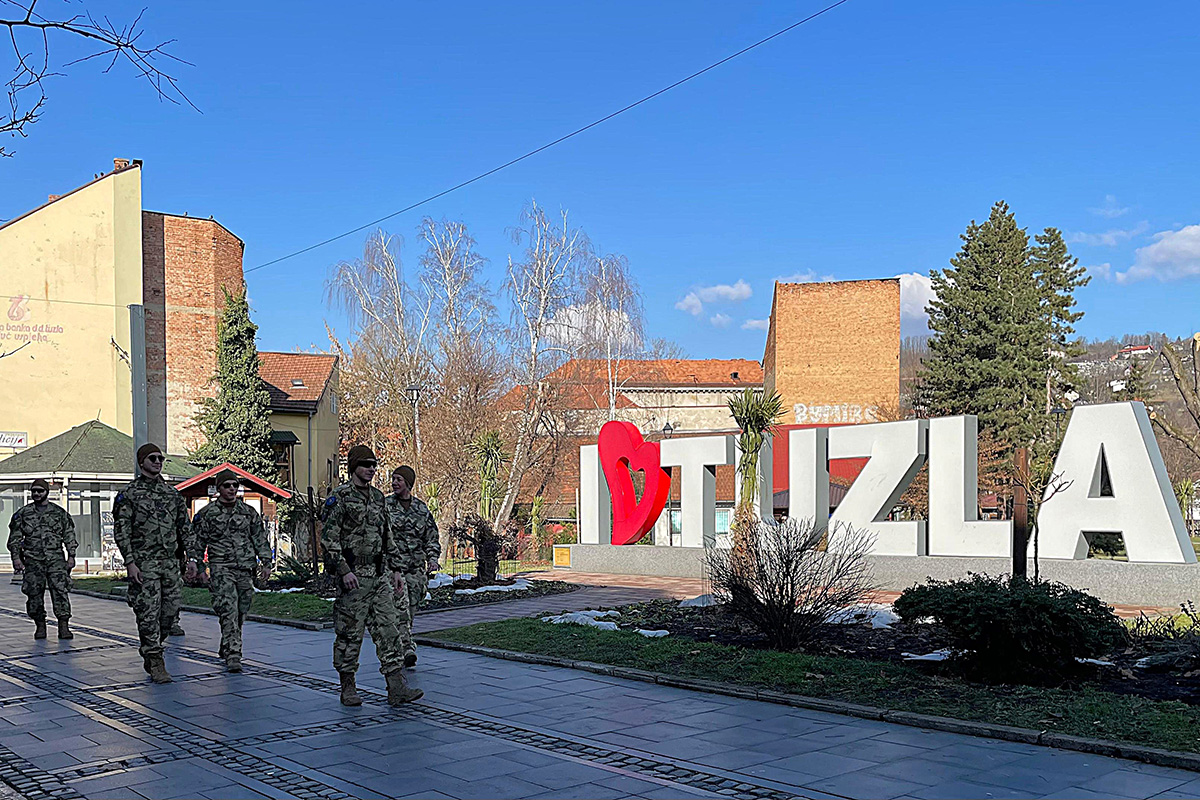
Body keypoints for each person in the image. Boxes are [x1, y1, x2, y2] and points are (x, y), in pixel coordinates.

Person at [321, 445, 423, 707]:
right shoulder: (340, 498)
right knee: (349, 634)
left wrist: (396, 570)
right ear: (354, 467)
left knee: (389, 630)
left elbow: (387, 536)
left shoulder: (379, 498)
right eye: (366, 464)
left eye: (374, 465)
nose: (371, 469)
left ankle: (397, 686)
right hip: (354, 578)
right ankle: (348, 687)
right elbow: (329, 540)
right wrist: (343, 571)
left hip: (378, 577)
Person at [114, 443, 191, 684]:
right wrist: (130, 562)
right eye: (153, 458)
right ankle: (156, 661)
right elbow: (122, 531)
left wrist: (192, 558)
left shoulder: (172, 494)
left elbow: (184, 528)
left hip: (169, 563)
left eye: (160, 458)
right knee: (147, 613)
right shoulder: (129, 494)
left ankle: (151, 648)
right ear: (142, 462)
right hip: (144, 564)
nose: (158, 462)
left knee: (169, 614)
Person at [186, 469, 272, 673]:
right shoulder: (207, 514)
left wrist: (266, 562)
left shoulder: (248, 512)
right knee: (228, 609)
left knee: (241, 610)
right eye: (227, 485)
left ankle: (227, 642)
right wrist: (199, 567)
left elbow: (259, 538)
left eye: (235, 485)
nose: (232, 489)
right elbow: (197, 543)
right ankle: (234, 654)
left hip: (245, 568)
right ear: (218, 488)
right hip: (221, 569)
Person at [6, 479, 76, 640]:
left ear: (47, 492)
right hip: (32, 560)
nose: (36, 494)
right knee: (34, 593)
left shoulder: (59, 513)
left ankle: (63, 626)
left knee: (60, 592)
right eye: (34, 491)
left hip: (56, 560)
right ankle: (40, 626)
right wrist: (16, 558)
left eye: (40, 491)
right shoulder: (23, 514)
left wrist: (71, 556)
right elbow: (15, 538)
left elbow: (69, 535)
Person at [386, 465, 440, 667]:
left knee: (410, 610)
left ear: (408, 483)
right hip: (394, 570)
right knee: (399, 609)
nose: (395, 483)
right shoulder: (385, 506)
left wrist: (432, 558)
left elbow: (431, 537)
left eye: (399, 479)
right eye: (393, 479)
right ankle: (406, 648)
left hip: (416, 570)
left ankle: (400, 646)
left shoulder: (421, 509)